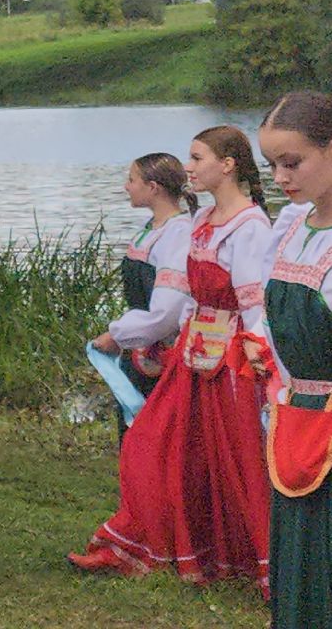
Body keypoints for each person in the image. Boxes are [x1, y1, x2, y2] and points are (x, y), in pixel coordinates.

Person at [72, 125, 274, 587]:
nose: (189, 167)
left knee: (236, 459)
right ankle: (140, 541)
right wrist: (155, 342)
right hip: (192, 352)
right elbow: (183, 297)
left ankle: (254, 562)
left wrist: (260, 363)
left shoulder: (251, 226)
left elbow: (253, 304)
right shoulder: (200, 223)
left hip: (233, 361)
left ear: (227, 165)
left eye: (198, 157)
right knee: (153, 444)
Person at [259, 91, 332, 627]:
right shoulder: (291, 228)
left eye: (293, 162)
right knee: (301, 559)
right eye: (272, 165)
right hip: (295, 421)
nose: (281, 177)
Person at [90, 152, 198, 430]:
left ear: (153, 187)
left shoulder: (178, 233)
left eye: (132, 179)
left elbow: (168, 309)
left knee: (157, 432)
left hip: (162, 353)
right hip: (141, 348)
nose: (127, 186)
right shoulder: (150, 229)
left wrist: (118, 334)